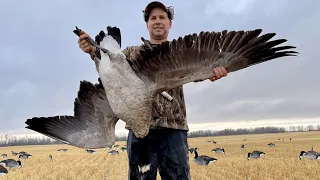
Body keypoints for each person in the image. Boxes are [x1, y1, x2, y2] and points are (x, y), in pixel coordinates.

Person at [77, 1, 228, 179]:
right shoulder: (132, 54)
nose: (157, 21)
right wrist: (93, 51)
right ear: (147, 24)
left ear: (170, 23)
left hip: (173, 129)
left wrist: (214, 70)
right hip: (140, 130)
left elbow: (199, 70)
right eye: (153, 18)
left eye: (162, 17)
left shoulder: (181, 53)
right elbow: (111, 67)